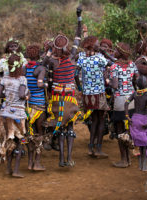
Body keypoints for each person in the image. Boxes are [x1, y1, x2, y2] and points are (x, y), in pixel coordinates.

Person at [43, 6, 83, 167]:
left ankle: (61, 159)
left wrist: (49, 51)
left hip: (57, 98)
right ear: (66, 46)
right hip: (70, 97)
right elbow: (78, 35)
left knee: (60, 127)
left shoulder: (52, 61)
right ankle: (69, 158)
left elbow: (42, 65)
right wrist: (79, 17)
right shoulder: (72, 56)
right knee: (70, 127)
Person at [76, 36, 110, 158]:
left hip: (87, 94)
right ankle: (99, 149)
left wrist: (80, 89)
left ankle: (91, 147)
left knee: (94, 120)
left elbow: (76, 74)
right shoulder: (100, 58)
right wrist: (105, 52)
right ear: (91, 46)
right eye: (96, 44)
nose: (98, 45)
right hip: (99, 93)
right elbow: (111, 63)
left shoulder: (81, 57)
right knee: (101, 120)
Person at [0, 53, 29, 178]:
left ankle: (8, 169)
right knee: (20, 142)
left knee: (8, 140)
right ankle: (16, 170)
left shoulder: (4, 79)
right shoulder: (22, 79)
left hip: (5, 112)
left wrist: (8, 93)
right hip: (18, 114)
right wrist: (26, 96)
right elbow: (21, 95)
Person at [110, 42, 139, 168]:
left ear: (120, 52)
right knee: (129, 129)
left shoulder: (114, 66)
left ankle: (124, 159)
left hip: (120, 100)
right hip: (132, 99)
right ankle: (129, 158)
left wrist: (108, 80)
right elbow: (136, 80)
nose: (114, 52)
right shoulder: (132, 64)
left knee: (120, 130)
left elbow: (115, 85)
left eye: (116, 50)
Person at [25, 44, 48, 171]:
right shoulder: (41, 68)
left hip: (27, 106)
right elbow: (40, 85)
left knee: (30, 134)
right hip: (39, 105)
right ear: (39, 54)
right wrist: (46, 84)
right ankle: (37, 162)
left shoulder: (23, 68)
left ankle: (29, 163)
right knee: (40, 134)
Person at [125, 75, 147, 171]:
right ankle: (144, 166)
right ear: (146, 84)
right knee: (146, 143)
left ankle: (140, 165)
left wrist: (127, 117)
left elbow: (126, 103)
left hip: (135, 119)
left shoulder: (135, 94)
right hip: (144, 119)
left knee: (139, 142)